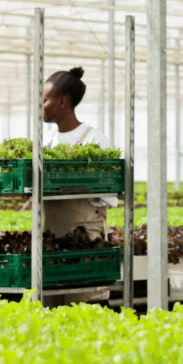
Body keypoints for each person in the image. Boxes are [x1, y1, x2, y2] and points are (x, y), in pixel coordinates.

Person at [41, 66, 116, 239]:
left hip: (85, 234)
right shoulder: (48, 140)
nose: (40, 106)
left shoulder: (94, 139)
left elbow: (108, 195)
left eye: (44, 101)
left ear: (62, 102)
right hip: (51, 232)